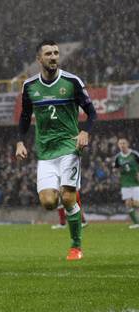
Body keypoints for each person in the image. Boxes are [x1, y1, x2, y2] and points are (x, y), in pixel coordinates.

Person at [16, 40, 97, 261]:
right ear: (39, 59)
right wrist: (20, 141)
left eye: (56, 53)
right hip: (45, 151)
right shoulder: (30, 86)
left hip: (69, 147)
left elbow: (92, 113)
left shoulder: (71, 82)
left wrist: (84, 132)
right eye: (48, 53)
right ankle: (70, 198)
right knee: (49, 203)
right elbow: (24, 116)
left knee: (68, 197)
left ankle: (76, 246)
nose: (53, 57)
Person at [112, 138, 139, 229]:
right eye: (120, 143)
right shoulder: (118, 157)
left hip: (136, 182)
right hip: (125, 183)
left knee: (136, 203)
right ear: (118, 145)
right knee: (128, 204)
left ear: (127, 144)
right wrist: (117, 173)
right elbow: (115, 169)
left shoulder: (134, 154)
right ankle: (136, 223)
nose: (122, 145)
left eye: (124, 143)